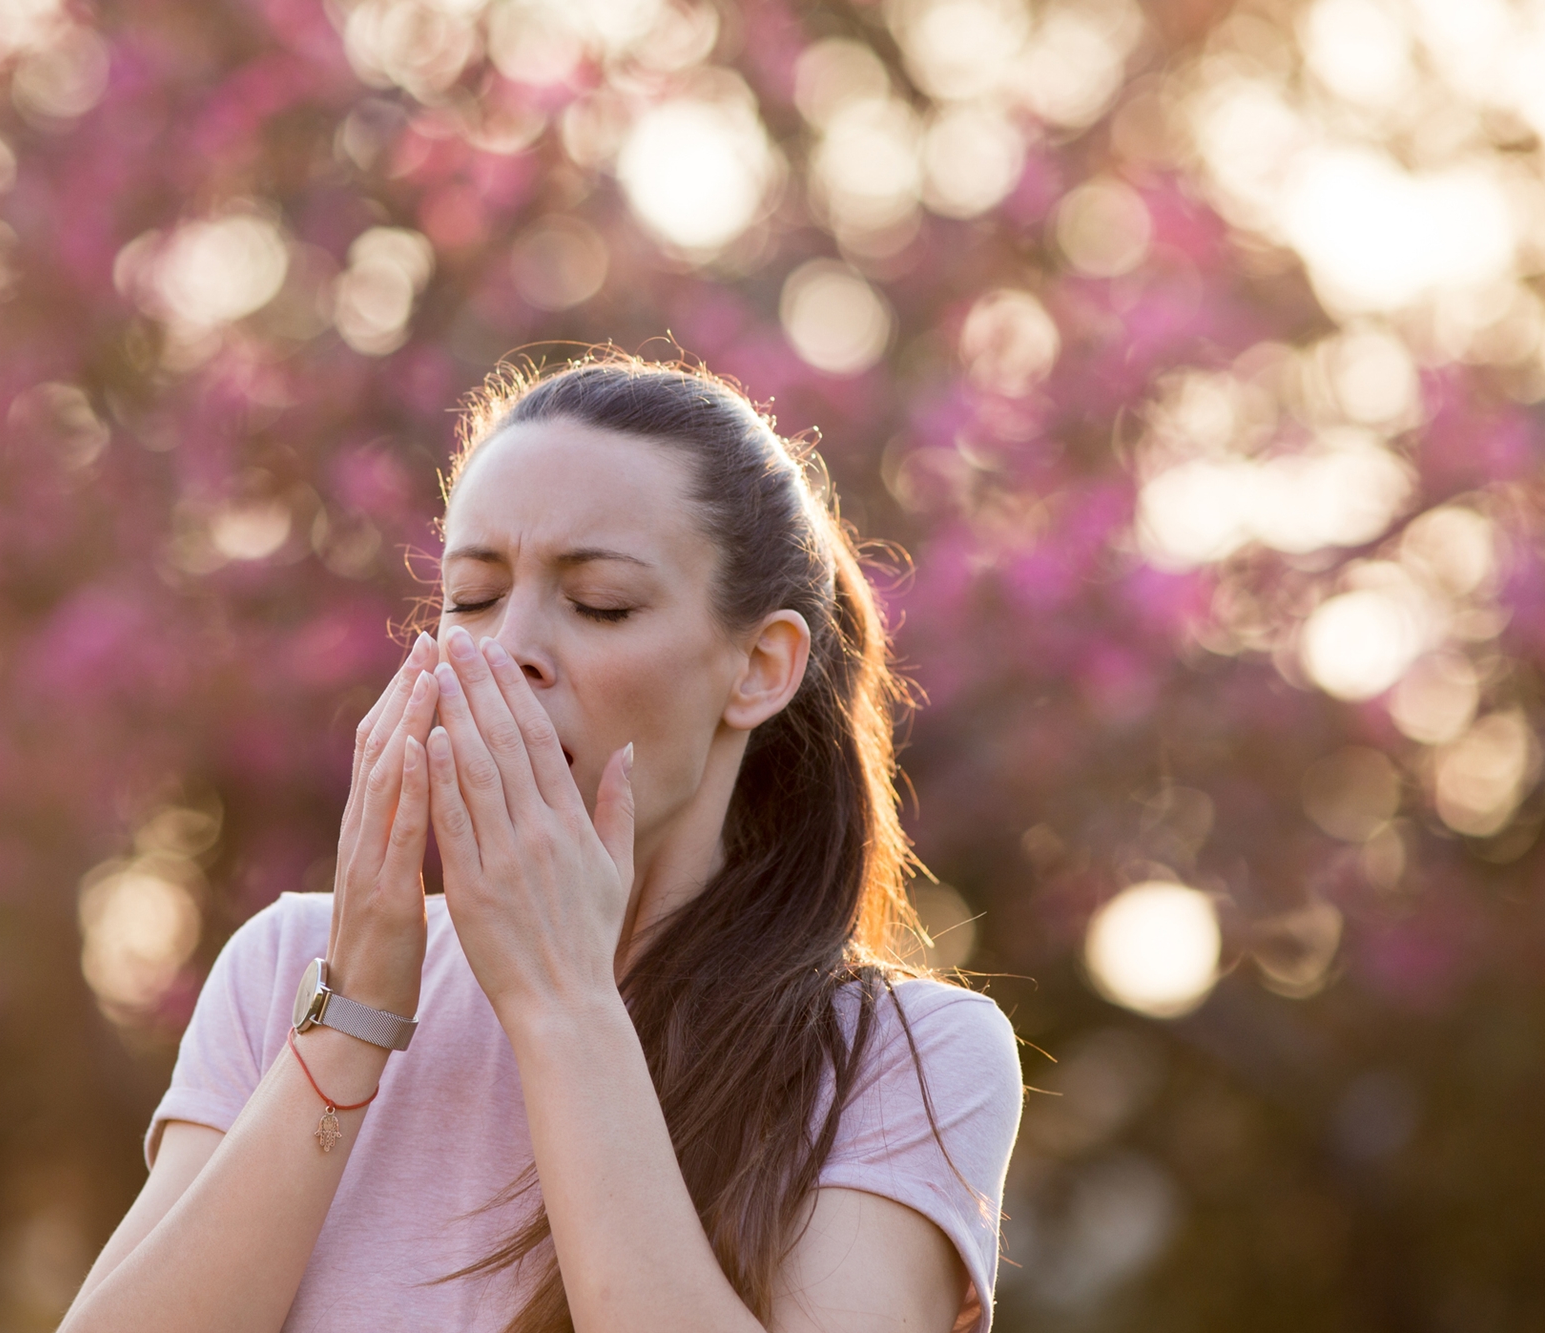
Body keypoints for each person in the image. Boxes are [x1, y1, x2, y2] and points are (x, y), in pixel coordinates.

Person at [59, 352, 1024, 1333]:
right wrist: (349, 1022)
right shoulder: (287, 971)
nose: (504, 647)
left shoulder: (900, 1057)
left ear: (758, 667)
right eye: (471, 597)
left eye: (598, 602)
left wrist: (564, 1002)